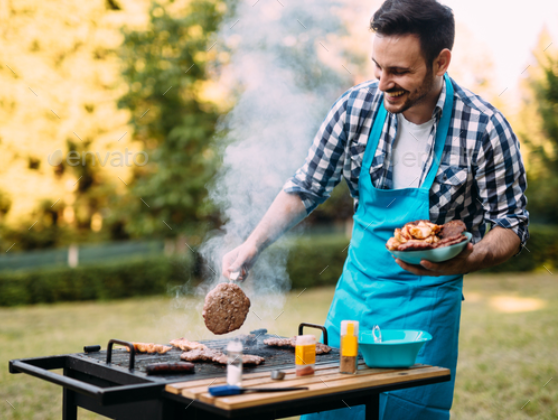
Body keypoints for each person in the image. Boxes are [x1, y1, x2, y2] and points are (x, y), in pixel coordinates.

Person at [221, 0, 529, 418]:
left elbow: (511, 224)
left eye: (399, 71)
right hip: (354, 306)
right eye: (377, 67)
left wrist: (470, 257)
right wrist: (251, 245)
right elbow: (306, 186)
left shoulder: (485, 129)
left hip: (428, 312)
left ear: (441, 62)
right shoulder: (355, 109)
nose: (384, 83)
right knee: (332, 409)